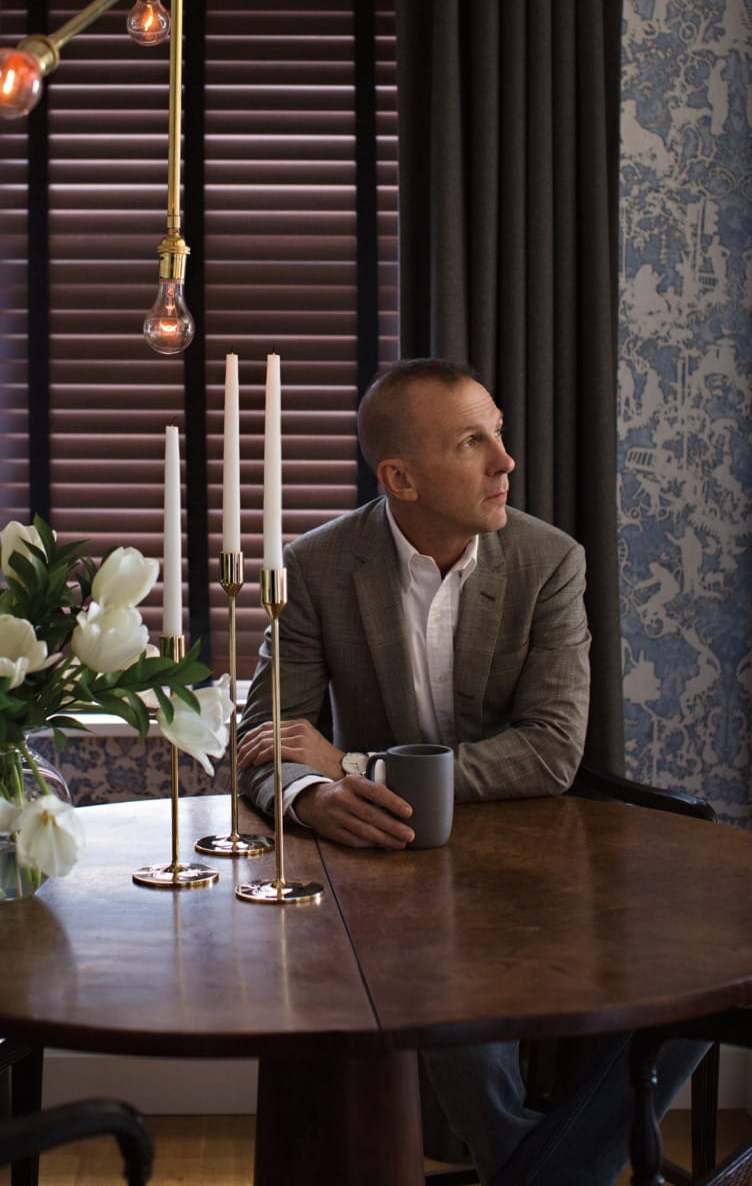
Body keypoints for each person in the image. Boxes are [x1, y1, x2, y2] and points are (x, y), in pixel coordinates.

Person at [237, 358, 706, 1186]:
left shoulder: (549, 561)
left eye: (498, 433)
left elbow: (552, 751)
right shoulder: (315, 566)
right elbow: (264, 743)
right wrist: (311, 799)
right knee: (432, 963)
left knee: (706, 967)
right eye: (472, 442)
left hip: (538, 857)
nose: (505, 461)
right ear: (400, 478)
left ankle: (531, 1173)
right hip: (392, 871)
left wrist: (346, 763)